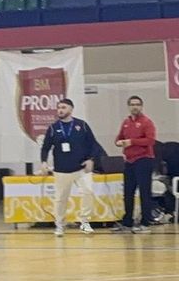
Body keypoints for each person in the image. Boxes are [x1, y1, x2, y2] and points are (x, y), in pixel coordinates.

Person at [39, 98, 105, 237]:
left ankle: (85, 222)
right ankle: (60, 225)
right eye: (58, 108)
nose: (60, 110)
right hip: (61, 170)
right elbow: (45, 148)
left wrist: (91, 160)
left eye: (63, 107)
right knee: (60, 199)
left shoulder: (82, 125)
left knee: (88, 192)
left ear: (71, 109)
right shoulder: (53, 128)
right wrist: (44, 162)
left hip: (81, 168)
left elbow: (94, 145)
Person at [114, 95, 157, 233]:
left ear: (141, 106)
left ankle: (146, 222)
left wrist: (132, 141)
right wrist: (119, 142)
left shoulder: (146, 122)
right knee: (128, 192)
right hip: (129, 161)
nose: (135, 107)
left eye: (137, 104)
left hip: (144, 159)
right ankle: (127, 222)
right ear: (129, 106)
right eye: (132, 104)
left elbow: (150, 140)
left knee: (144, 192)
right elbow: (119, 137)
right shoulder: (126, 122)